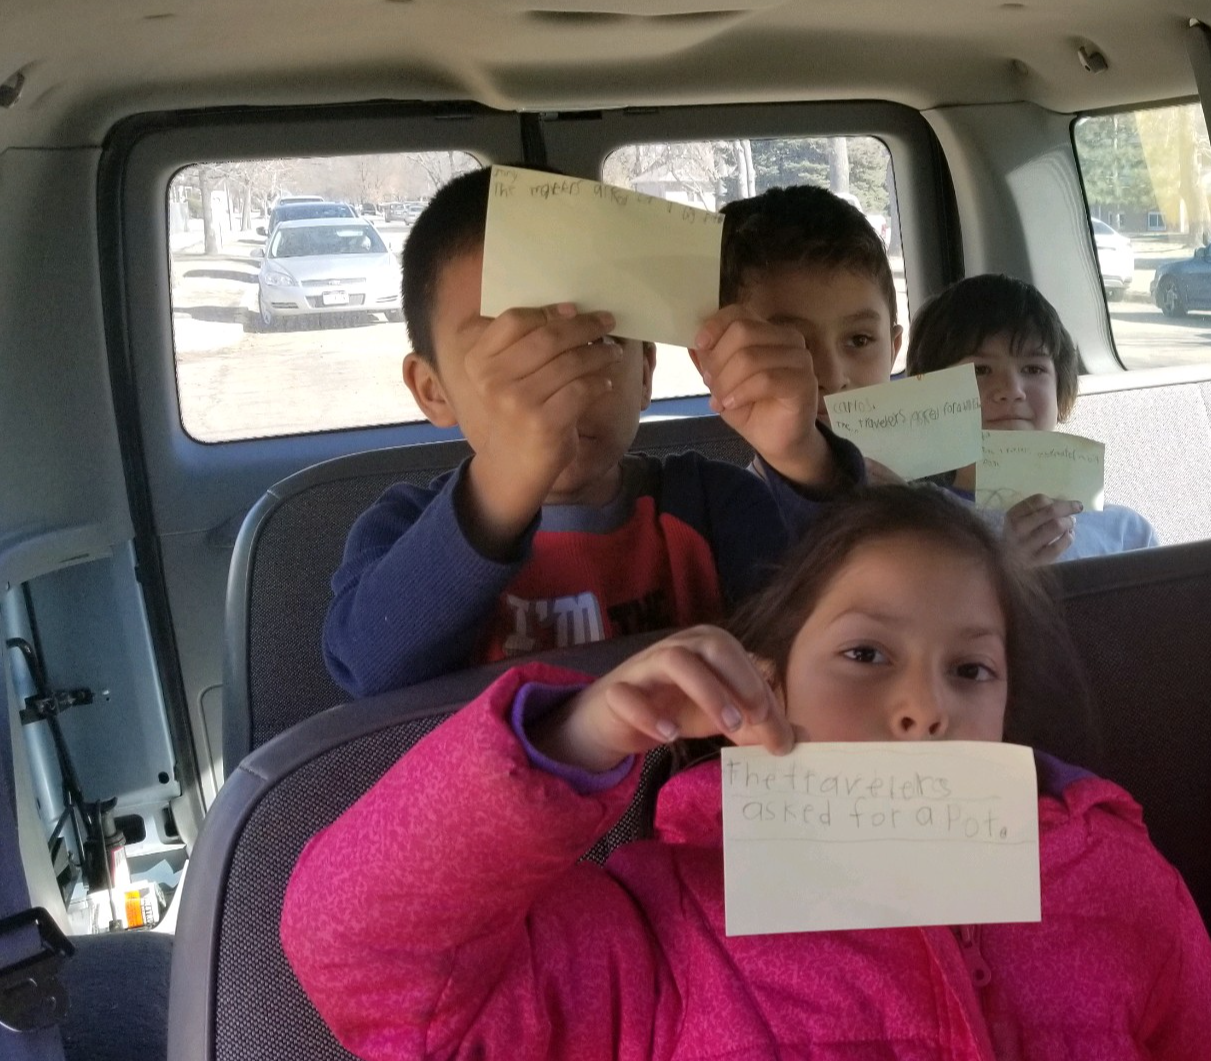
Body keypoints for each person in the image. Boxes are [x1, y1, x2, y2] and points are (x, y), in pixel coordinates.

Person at [284, 485, 1211, 1061]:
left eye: (970, 668)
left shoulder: (1116, 890)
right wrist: (574, 737)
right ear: (764, 686)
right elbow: (365, 957)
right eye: (865, 654)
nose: (924, 705)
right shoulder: (667, 928)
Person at [322, 168, 859, 699]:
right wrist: (499, 486)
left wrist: (802, 456)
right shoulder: (402, 527)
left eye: (595, 340)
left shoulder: (716, 507)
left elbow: (857, 614)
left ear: (645, 369)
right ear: (432, 390)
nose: (564, 384)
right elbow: (367, 667)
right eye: (513, 357)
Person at [904, 273, 1160, 564]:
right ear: (928, 396)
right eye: (980, 371)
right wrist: (1005, 569)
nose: (1012, 391)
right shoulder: (911, 530)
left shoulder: (1126, 533)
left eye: (1034, 369)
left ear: (1060, 390)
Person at [691, 184, 901, 439]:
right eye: (794, 344)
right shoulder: (717, 480)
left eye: (860, 340)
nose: (833, 378)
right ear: (710, 363)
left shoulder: (940, 473)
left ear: (893, 348)